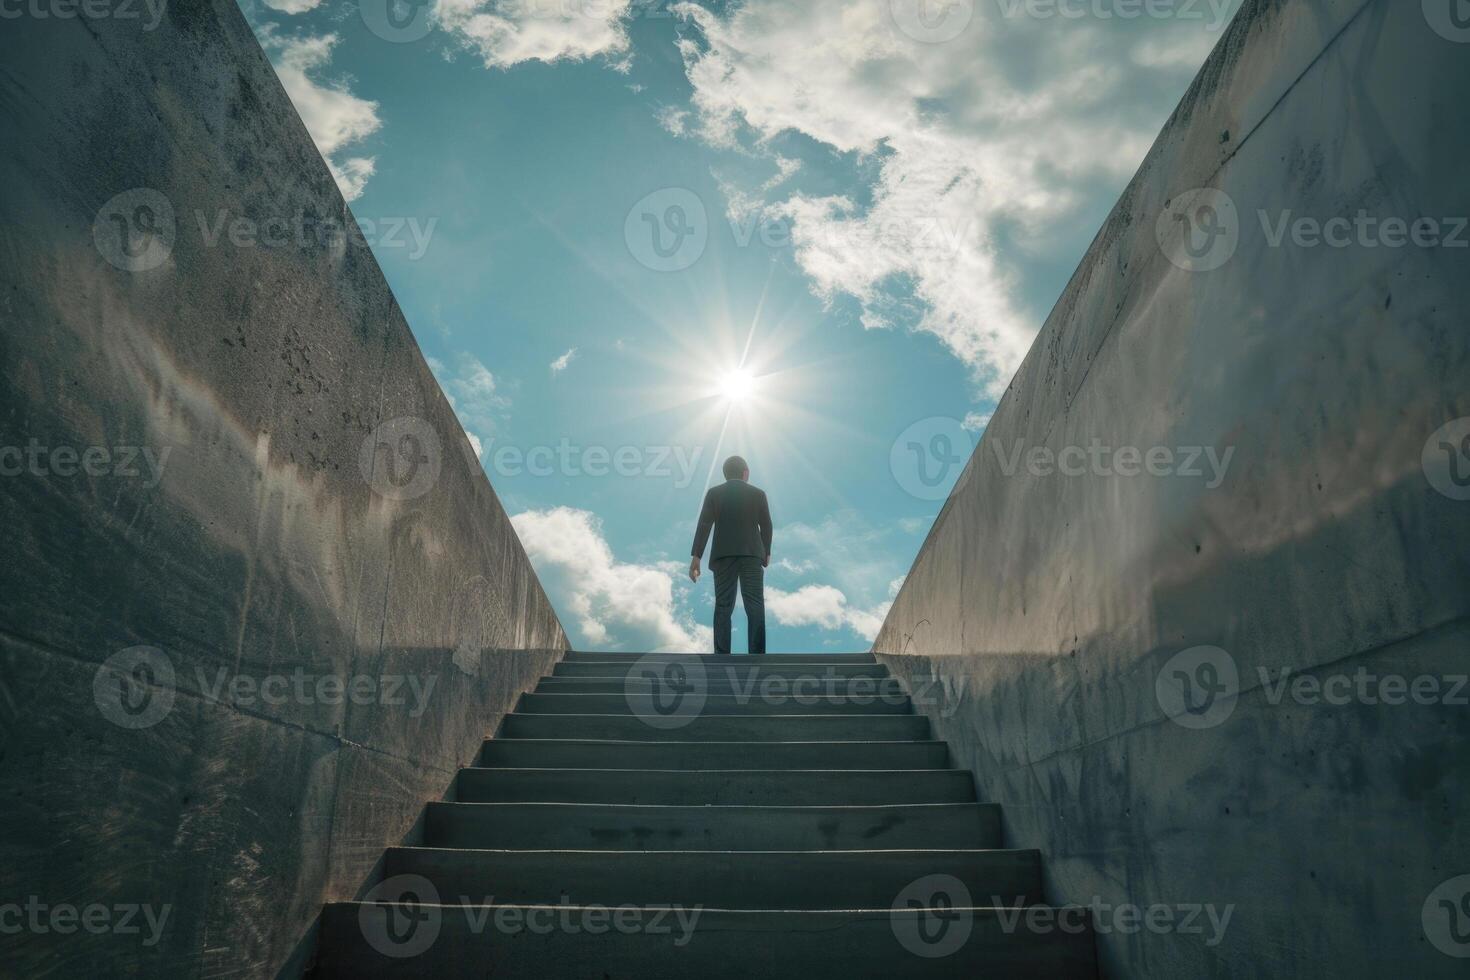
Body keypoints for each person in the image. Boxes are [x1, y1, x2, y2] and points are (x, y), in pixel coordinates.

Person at [689, 455, 772, 655]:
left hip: (723, 556)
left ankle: (721, 654)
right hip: (752, 555)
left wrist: (696, 556)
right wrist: (766, 551)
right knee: (755, 604)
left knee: (723, 605)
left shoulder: (714, 493)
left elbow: (704, 524)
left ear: (725, 474)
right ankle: (757, 655)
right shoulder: (758, 494)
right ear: (745, 473)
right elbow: (767, 525)